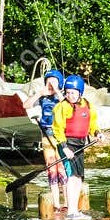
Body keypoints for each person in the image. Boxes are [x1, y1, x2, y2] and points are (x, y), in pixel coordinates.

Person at [54, 73, 97, 219]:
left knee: (79, 177)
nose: (70, 95)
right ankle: (71, 212)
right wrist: (65, 148)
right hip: (67, 144)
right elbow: (57, 129)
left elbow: (92, 124)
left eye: (73, 92)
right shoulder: (62, 107)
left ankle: (75, 211)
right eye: (67, 92)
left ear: (80, 92)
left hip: (80, 144)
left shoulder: (87, 105)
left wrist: (97, 133)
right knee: (72, 176)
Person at [34, 68, 68, 205]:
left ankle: (66, 202)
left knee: (61, 167)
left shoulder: (64, 96)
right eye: (49, 81)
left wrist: (57, 90)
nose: (51, 84)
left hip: (59, 135)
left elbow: (66, 107)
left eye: (54, 81)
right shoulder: (43, 96)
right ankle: (56, 204)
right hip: (46, 133)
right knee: (51, 168)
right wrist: (38, 94)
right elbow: (26, 105)